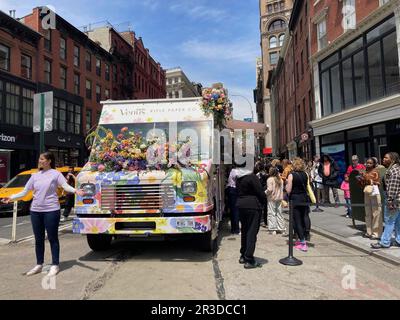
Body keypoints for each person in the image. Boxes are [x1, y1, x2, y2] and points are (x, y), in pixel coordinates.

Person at [1, 152, 84, 276]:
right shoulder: (35, 176)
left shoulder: (56, 174)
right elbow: (25, 192)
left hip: (51, 210)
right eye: (39, 159)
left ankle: (55, 264)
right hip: (35, 211)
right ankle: (39, 264)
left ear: (49, 161)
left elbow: (65, 186)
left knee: (52, 238)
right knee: (38, 239)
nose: (40, 161)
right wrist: (11, 198)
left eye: (42, 159)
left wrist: (76, 190)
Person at [236, 159, 267, 269]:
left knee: (245, 230)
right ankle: (249, 258)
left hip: (241, 205)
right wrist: (264, 202)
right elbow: (260, 192)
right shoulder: (252, 177)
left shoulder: (238, 178)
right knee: (251, 232)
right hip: (252, 206)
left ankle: (243, 255)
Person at [371, 152, 400, 249]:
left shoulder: (394, 171)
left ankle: (385, 242)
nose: (383, 159)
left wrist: (390, 201)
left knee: (389, 221)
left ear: (392, 160)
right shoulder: (395, 169)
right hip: (397, 200)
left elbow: (392, 188)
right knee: (398, 221)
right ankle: (399, 240)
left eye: (386, 158)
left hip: (394, 200)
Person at [286, 157, 311, 252]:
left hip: (295, 199)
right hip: (304, 198)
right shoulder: (305, 174)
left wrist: (286, 185)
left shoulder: (291, 175)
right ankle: (304, 236)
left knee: (297, 221)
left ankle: (302, 242)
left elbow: (288, 190)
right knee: (304, 216)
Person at [358, 158, 382, 240]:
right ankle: (369, 232)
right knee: (367, 213)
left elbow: (377, 183)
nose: (368, 164)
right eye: (367, 163)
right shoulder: (364, 172)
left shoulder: (376, 171)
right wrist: (360, 179)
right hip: (366, 192)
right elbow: (361, 185)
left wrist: (365, 178)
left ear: (374, 164)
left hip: (374, 193)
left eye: (370, 163)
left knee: (376, 213)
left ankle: (376, 233)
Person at [265, 167, 285, 234]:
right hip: (279, 198)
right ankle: (281, 228)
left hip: (272, 198)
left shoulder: (270, 179)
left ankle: (273, 229)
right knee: (279, 213)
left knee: (271, 213)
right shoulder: (280, 179)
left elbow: (270, 189)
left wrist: (265, 192)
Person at [226, 165, 240, 235]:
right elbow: (239, 181)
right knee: (235, 210)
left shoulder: (232, 170)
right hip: (234, 190)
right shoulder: (236, 172)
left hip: (231, 190)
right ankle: (236, 229)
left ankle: (233, 228)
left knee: (233, 210)